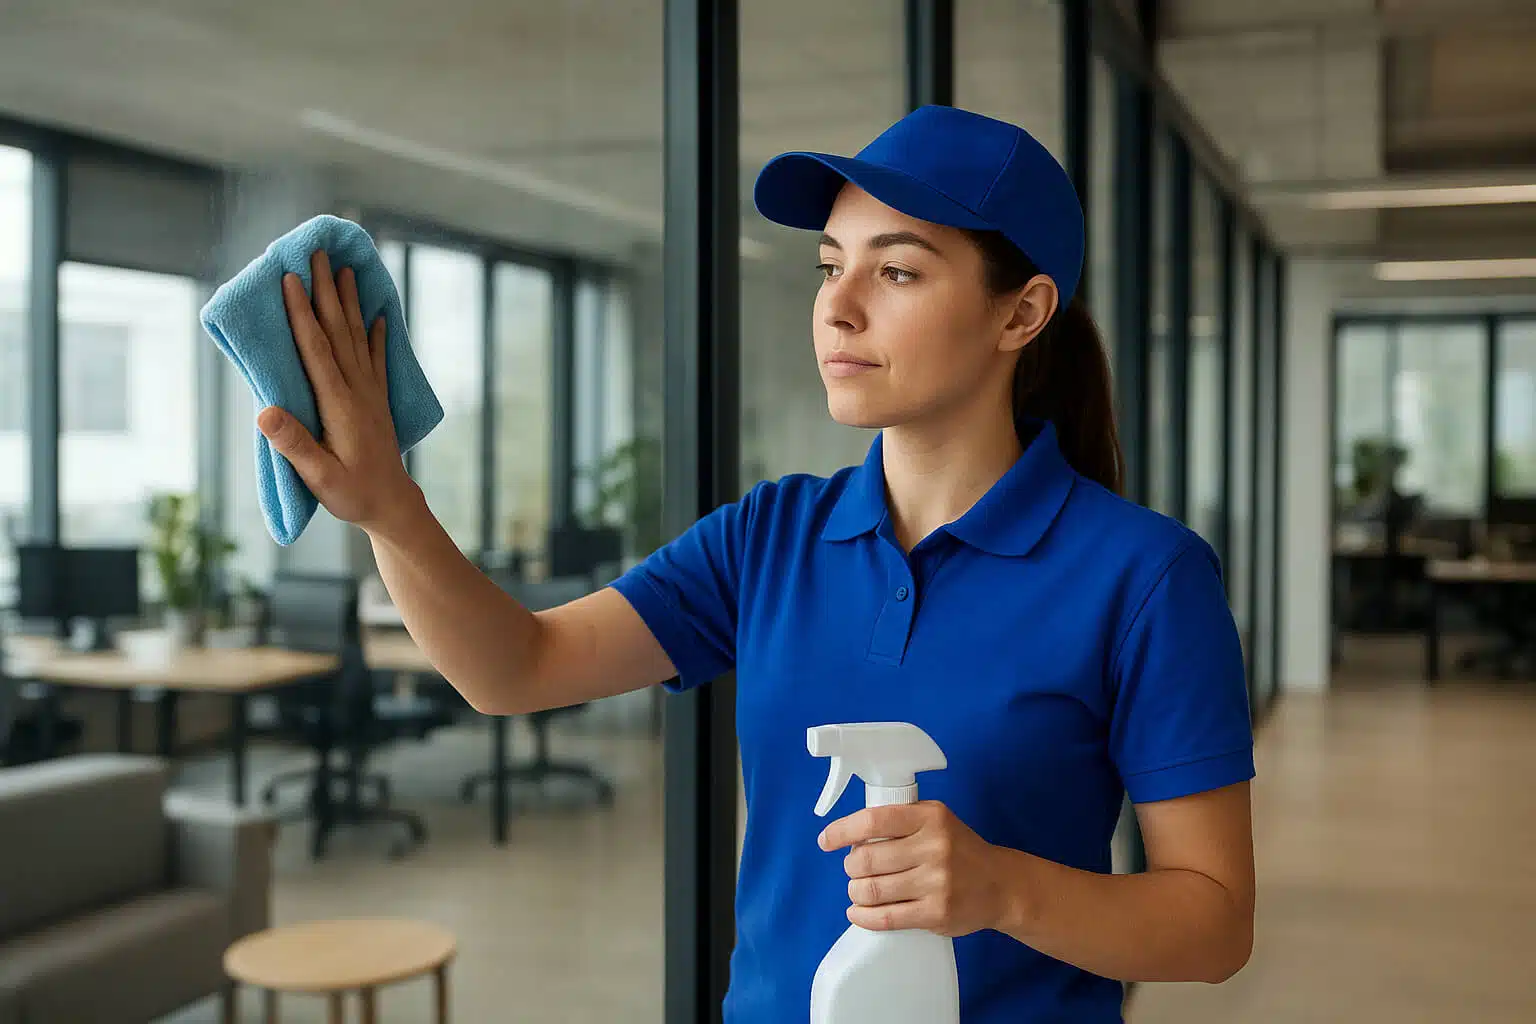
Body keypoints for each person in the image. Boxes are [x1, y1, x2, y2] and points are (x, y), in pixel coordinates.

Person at [256, 104, 1255, 1023]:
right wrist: (389, 503)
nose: (839, 307)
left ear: (1021, 313)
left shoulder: (1147, 577)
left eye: (896, 271)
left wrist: (1004, 888)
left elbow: (1213, 925)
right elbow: (514, 666)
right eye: (831, 266)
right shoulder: (768, 536)